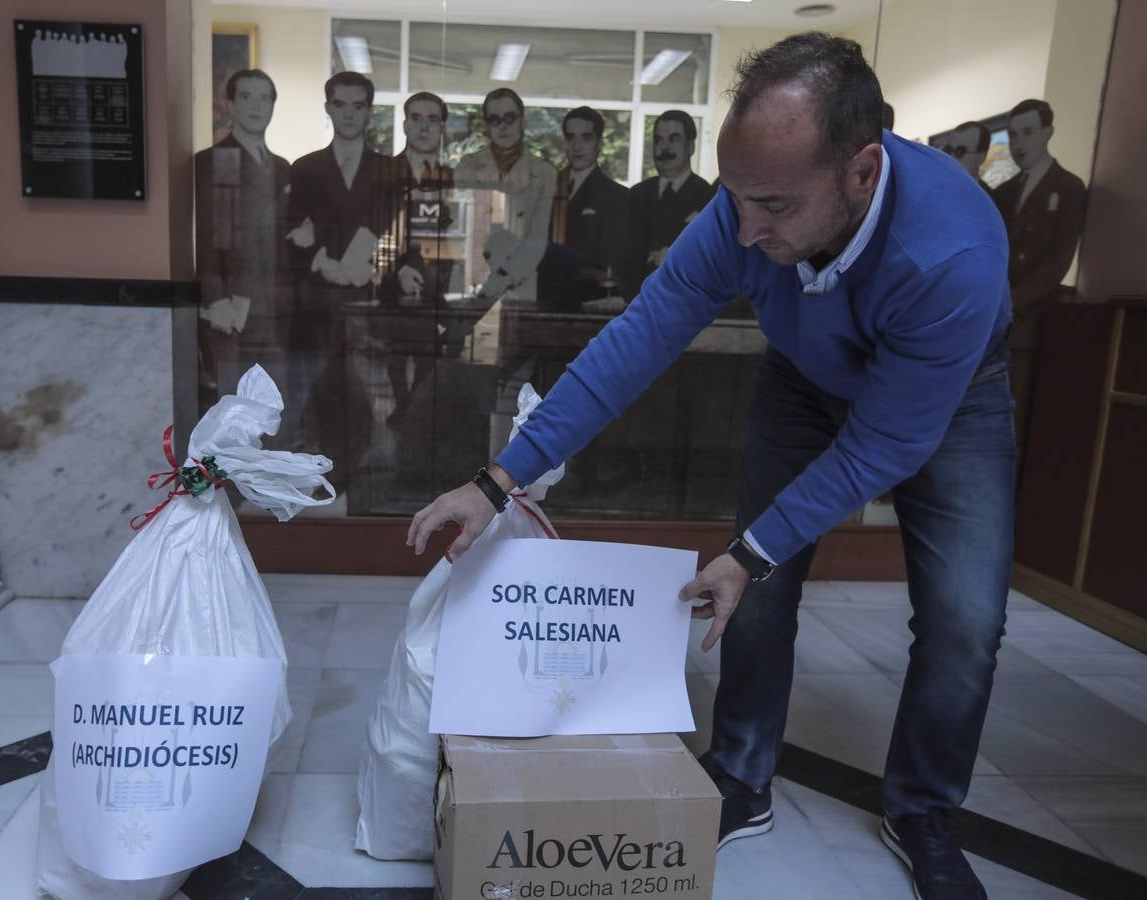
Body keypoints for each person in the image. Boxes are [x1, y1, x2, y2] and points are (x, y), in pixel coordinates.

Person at [408, 32, 1012, 900]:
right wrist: (496, 481)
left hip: (951, 404)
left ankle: (922, 810)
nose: (744, 228)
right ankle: (739, 776)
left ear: (863, 173)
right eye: (733, 198)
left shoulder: (953, 252)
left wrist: (755, 546)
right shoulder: (741, 214)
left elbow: (885, 444)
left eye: (770, 205)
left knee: (964, 621)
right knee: (756, 596)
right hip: (805, 380)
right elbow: (638, 340)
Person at [286, 71, 400, 479]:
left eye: (358, 105)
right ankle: (333, 466)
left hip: (369, 298)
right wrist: (325, 263)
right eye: (340, 104)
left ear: (370, 111)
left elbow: (391, 229)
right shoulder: (304, 169)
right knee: (323, 387)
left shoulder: (389, 171)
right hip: (318, 303)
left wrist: (355, 263)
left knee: (370, 386)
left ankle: (364, 464)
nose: (348, 114)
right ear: (327, 108)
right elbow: (293, 232)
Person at [992, 99, 1086, 462]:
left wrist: (1013, 303)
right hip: (992, 321)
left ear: (1048, 132)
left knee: (1014, 419)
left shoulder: (1068, 188)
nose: (1019, 143)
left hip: (1027, 323)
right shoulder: (1004, 192)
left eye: (1028, 132)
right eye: (1013, 134)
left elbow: (1058, 260)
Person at [193, 68, 291, 415]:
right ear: (229, 105)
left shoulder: (282, 167)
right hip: (232, 307)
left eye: (265, 98)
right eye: (246, 96)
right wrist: (217, 298)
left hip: (274, 302)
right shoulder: (212, 162)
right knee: (231, 404)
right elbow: (207, 236)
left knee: (271, 405)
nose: (256, 106)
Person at [380, 91, 456, 427]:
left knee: (430, 349)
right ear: (405, 123)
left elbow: (452, 233)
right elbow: (373, 232)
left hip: (435, 280)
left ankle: (414, 406)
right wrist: (394, 272)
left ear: (442, 128)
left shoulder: (451, 178)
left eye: (433, 119)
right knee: (396, 351)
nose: (424, 127)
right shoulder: (382, 173)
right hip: (390, 281)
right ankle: (403, 404)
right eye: (416, 118)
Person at [454, 88, 556, 301]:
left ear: (523, 121)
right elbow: (460, 228)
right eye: (494, 120)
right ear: (486, 126)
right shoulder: (468, 167)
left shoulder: (545, 172)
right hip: (473, 275)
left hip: (521, 280)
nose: (503, 126)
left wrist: (503, 278)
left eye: (510, 118)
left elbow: (538, 238)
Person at [540, 106, 630, 307]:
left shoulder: (618, 197)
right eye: (570, 138)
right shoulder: (544, 190)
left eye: (586, 138)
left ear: (599, 144)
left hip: (589, 304)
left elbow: (613, 264)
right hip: (544, 302)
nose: (576, 146)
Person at [625, 111, 715, 295]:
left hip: (685, 301)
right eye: (658, 140)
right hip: (635, 300)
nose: (664, 148)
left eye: (673, 139)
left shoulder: (708, 197)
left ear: (690, 146)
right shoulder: (636, 194)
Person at [942, 120, 993, 194]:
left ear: (981, 157)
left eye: (960, 151)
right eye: (948, 149)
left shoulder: (990, 200)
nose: (951, 156)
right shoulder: (932, 191)